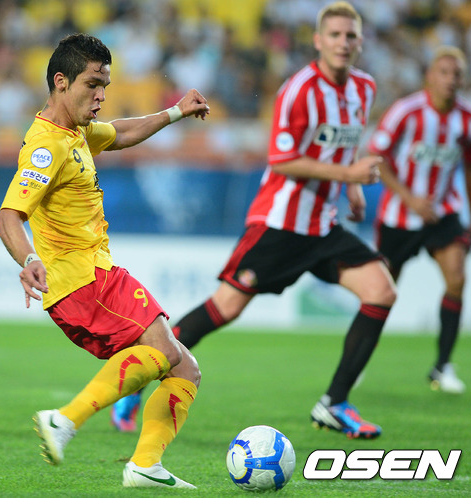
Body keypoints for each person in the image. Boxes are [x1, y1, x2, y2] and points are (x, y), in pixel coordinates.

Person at [113, 1, 397, 439]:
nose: (343, 42)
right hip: (280, 223)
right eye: (335, 35)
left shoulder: (364, 87)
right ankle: (139, 377)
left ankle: (335, 404)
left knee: (381, 291)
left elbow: (345, 145)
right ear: (318, 41)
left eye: (350, 35)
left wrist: (353, 188)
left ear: (361, 42)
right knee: (225, 307)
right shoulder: (298, 90)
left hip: (324, 224)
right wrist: (348, 176)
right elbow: (281, 159)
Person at [0, 33, 209, 488]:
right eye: (92, 84)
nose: (101, 96)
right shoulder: (46, 147)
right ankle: (64, 420)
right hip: (82, 281)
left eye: (104, 86)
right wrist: (28, 257)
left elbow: (122, 132)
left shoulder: (76, 133)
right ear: (61, 82)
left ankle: (145, 465)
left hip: (96, 276)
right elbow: (9, 216)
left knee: (183, 368)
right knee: (164, 352)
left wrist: (175, 112)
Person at [368, 46, 471, 394]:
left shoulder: (470, 121)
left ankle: (442, 366)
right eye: (444, 72)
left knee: (457, 279)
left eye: (457, 74)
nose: (450, 80)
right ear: (430, 76)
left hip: (444, 214)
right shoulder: (406, 112)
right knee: (380, 292)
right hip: (399, 216)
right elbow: (377, 157)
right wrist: (409, 198)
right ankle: (358, 361)